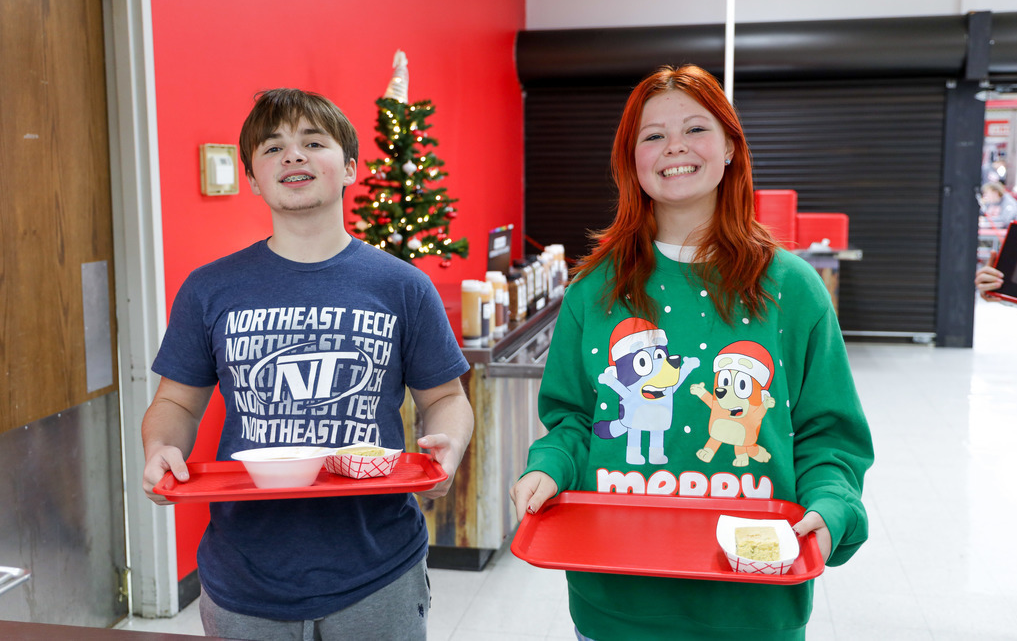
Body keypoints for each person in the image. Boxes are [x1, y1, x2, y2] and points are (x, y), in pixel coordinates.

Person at [510, 65, 873, 641]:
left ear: (730, 146)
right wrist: (549, 467)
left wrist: (831, 508)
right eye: (652, 135)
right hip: (616, 602)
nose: (673, 147)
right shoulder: (592, 290)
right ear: (631, 159)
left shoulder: (793, 288)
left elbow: (830, 435)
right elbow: (575, 421)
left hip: (752, 603)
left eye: (695, 129)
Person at [141, 88, 474, 641]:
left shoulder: (402, 286)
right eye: (272, 148)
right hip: (244, 573)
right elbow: (176, 400)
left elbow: (444, 398)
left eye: (312, 142)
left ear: (349, 168)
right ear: (252, 176)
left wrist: (449, 445)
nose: (292, 156)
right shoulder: (209, 288)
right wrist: (159, 448)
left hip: (378, 568)